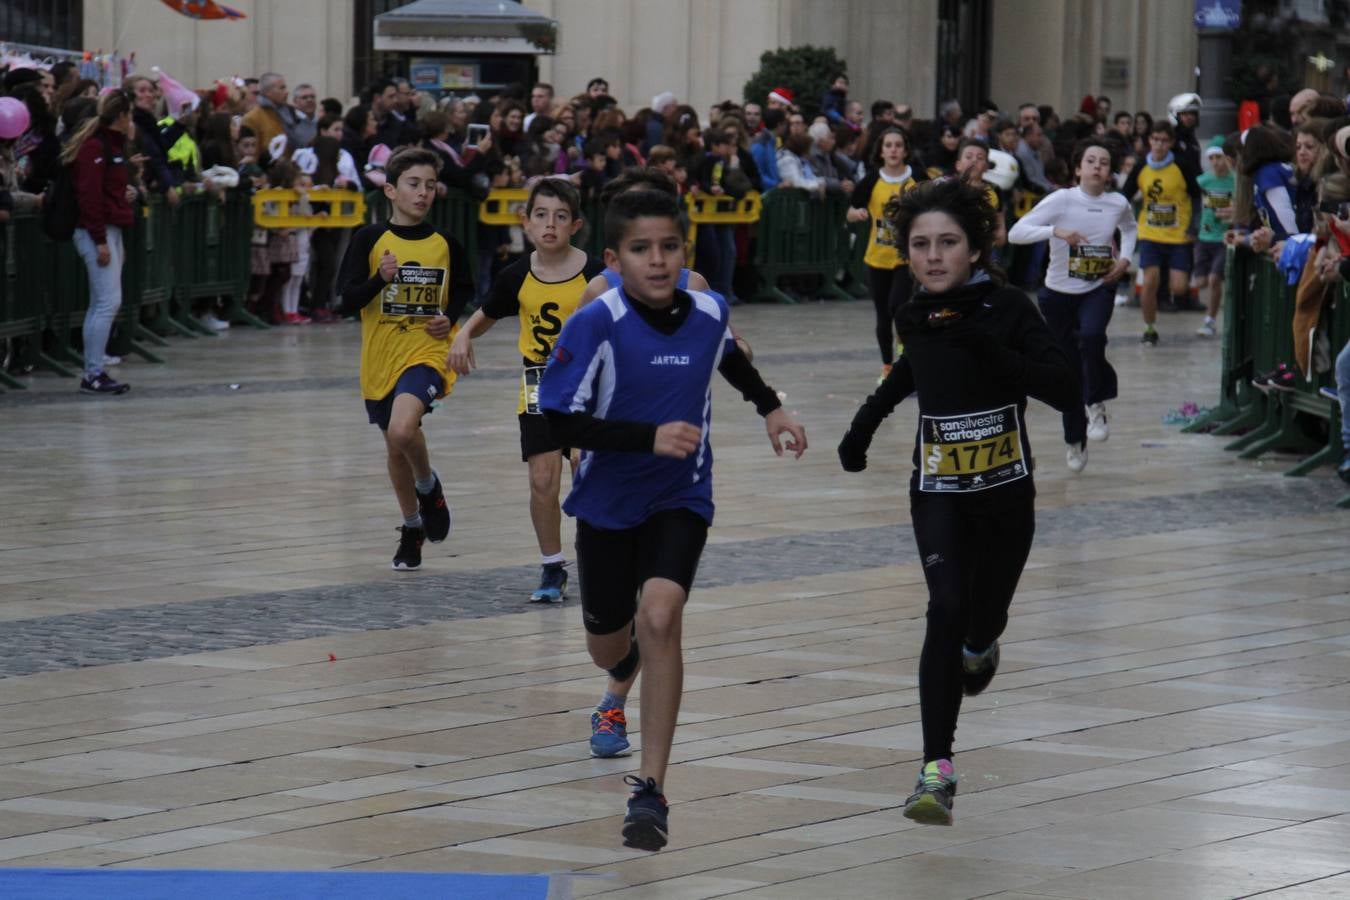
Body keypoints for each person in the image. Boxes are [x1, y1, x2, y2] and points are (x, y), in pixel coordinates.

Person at [537, 188, 806, 851]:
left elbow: (730, 360)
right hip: (605, 505)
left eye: (669, 247)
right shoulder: (595, 322)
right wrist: (643, 436)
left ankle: (650, 791)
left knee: (661, 615)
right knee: (611, 641)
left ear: (686, 251)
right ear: (613, 257)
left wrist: (772, 407)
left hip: (681, 495)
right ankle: (617, 666)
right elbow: (552, 418)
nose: (657, 261)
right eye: (640, 249)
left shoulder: (711, 310)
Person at [837, 178, 1078, 826]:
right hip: (938, 490)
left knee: (982, 617)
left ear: (975, 247)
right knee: (943, 607)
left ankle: (983, 641)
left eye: (948, 242)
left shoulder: (1010, 307)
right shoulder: (913, 313)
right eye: (920, 245)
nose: (934, 256)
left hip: (1006, 499)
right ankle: (934, 770)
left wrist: (992, 352)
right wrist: (864, 425)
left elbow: (1061, 383)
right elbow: (913, 367)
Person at [447, 180, 604, 602]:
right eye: (540, 215)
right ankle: (552, 566)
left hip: (590, 384)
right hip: (539, 382)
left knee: (585, 470)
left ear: (576, 224)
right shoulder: (516, 275)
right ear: (525, 222)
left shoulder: (597, 274)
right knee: (541, 480)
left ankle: (598, 553)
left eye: (559, 216)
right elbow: (486, 312)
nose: (549, 224)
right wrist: (463, 336)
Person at [337, 147, 472, 570]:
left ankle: (429, 486)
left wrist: (448, 319)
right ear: (391, 190)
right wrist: (380, 278)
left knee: (402, 428)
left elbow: (465, 290)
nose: (423, 193)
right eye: (414, 184)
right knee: (395, 446)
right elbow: (345, 300)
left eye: (430, 185)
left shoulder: (445, 243)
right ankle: (412, 526)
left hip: (426, 353)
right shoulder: (370, 239)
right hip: (380, 358)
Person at [1008, 139, 1137, 473]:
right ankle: (1074, 439)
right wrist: (1056, 231)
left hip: (1098, 287)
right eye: (1090, 161)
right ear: (1078, 168)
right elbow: (1016, 233)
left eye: (1104, 162)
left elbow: (1129, 228)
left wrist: (1124, 261)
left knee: (1093, 338)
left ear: (1110, 171)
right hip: (1057, 293)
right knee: (1066, 367)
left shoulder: (1117, 202)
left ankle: (1096, 403)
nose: (1097, 166)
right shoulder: (1062, 199)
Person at [66, 89, 138, 395]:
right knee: (106, 302)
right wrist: (99, 240)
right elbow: (89, 195)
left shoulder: (111, 146)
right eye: (129, 114)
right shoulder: (95, 146)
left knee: (105, 302)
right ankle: (93, 372)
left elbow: (108, 189)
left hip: (110, 228)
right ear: (121, 115)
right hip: (96, 231)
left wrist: (126, 196)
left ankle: (94, 369)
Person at [846, 126, 920, 380]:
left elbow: (934, 206)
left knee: (898, 304)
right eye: (888, 145)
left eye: (898, 145)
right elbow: (851, 209)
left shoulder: (916, 179)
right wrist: (857, 214)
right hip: (876, 255)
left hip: (906, 257)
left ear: (906, 150)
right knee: (882, 313)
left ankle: (904, 343)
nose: (893, 150)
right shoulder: (871, 180)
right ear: (881, 150)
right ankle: (887, 366)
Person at [1122, 120, 1198, 345]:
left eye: (1164, 141)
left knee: (1179, 287)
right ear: (1149, 141)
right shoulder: (1140, 166)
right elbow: (1124, 194)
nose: (1159, 145)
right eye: (1155, 140)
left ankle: (1168, 283)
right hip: (1150, 233)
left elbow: (1196, 195)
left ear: (1171, 143)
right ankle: (1149, 328)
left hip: (1178, 235)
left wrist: (1194, 225)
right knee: (1149, 282)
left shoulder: (1182, 165)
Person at [1194, 138, 1235, 337]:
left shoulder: (1235, 180)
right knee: (1200, 282)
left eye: (1219, 157)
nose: (1216, 162)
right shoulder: (1203, 180)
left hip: (1223, 238)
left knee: (1214, 279)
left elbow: (1242, 207)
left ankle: (1210, 320)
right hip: (1204, 236)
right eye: (1212, 158)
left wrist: (1230, 213)